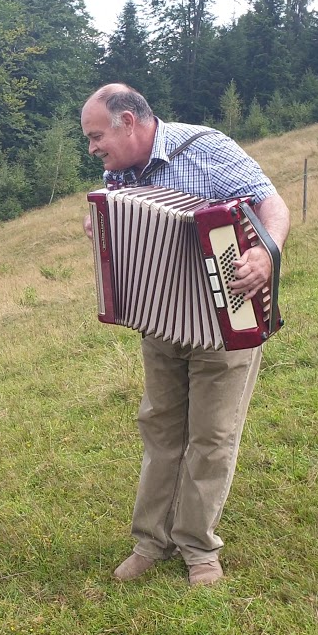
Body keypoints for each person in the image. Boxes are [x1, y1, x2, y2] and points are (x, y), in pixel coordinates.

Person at [80, 83, 290, 585]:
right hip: (163, 320)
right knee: (161, 427)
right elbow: (125, 234)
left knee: (212, 435)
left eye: (95, 136)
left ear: (128, 121)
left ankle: (198, 547)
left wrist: (266, 254)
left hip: (227, 317)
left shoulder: (206, 148)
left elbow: (272, 205)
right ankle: (151, 542)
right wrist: (101, 229)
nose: (92, 149)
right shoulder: (116, 175)